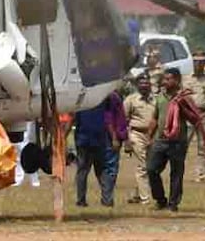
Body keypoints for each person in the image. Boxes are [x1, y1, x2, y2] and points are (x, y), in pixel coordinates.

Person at [146, 68, 190, 211]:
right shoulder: (160, 97)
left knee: (176, 173)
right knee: (151, 169)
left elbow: (194, 117)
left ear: (177, 80)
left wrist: (184, 107)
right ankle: (160, 200)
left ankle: (173, 204)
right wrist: (149, 137)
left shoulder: (184, 97)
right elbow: (155, 117)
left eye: (168, 79)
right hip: (160, 140)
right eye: (164, 79)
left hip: (178, 141)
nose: (165, 82)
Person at [73, 98, 117, 207]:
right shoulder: (101, 99)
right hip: (94, 140)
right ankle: (107, 200)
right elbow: (108, 119)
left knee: (83, 171)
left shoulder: (81, 101)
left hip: (87, 140)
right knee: (100, 171)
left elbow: (72, 119)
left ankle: (81, 200)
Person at [182, 50, 205, 183]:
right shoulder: (186, 78)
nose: (199, 64)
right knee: (183, 144)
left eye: (202, 62)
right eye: (196, 61)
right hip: (189, 113)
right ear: (192, 62)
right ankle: (179, 171)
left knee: (203, 145)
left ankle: (200, 175)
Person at [123, 74, 156, 204]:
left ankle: (138, 193)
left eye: (146, 83)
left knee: (152, 166)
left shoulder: (156, 100)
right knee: (142, 166)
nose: (144, 85)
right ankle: (145, 198)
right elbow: (123, 121)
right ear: (137, 85)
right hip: (136, 134)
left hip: (152, 135)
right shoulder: (131, 100)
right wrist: (126, 141)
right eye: (141, 83)